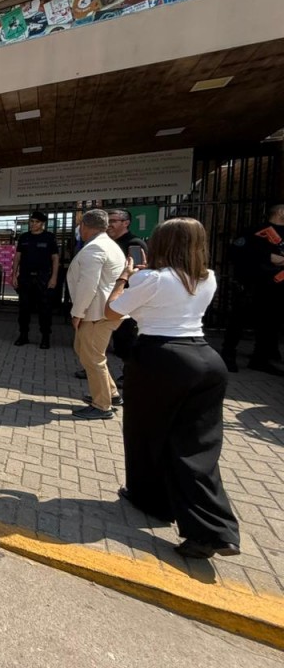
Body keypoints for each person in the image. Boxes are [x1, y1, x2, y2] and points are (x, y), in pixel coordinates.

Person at [105, 217, 241, 559]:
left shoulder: (152, 278)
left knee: (147, 435)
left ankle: (151, 500)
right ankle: (215, 529)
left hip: (160, 359)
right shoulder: (207, 277)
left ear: (162, 245)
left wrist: (125, 277)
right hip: (206, 360)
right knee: (197, 447)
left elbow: (111, 312)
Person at [66, 209, 125, 420]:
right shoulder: (110, 244)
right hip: (105, 311)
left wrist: (77, 313)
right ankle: (111, 393)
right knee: (85, 350)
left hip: (96, 312)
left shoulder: (95, 248)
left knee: (92, 357)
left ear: (85, 226)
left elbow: (88, 286)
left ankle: (102, 405)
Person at [221, 203, 284, 375]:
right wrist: (268, 256)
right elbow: (235, 252)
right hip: (251, 285)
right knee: (238, 322)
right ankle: (228, 355)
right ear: (280, 212)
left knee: (269, 325)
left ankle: (260, 359)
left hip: (276, 288)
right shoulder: (255, 232)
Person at [11, 210, 60, 349]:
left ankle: (45, 337)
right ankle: (23, 335)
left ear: (43, 224)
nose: (33, 224)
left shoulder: (49, 237)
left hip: (43, 277)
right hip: (25, 277)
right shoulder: (24, 237)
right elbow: (17, 257)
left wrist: (54, 277)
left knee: (45, 309)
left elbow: (55, 258)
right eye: (31, 221)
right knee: (24, 308)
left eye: (36, 222)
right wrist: (14, 275)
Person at [107, 209, 148, 363]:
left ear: (126, 223)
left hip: (126, 298)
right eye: (108, 221)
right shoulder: (108, 243)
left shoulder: (134, 243)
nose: (109, 225)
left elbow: (139, 272)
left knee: (125, 338)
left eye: (113, 221)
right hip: (109, 295)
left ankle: (128, 374)